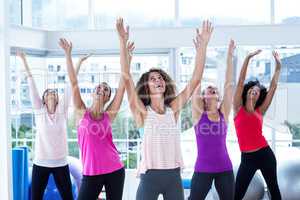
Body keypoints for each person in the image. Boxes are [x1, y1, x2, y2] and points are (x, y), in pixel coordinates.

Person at [116, 17, 213, 200]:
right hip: (150, 177)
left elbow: (195, 80)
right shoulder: (142, 112)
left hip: (173, 177)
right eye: (153, 79)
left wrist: (203, 47)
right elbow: (126, 76)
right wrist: (122, 42)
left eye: (160, 77)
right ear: (147, 87)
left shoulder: (173, 109)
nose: (158, 80)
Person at [59, 32, 134, 200]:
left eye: (106, 89)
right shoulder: (81, 112)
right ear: (93, 93)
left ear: (108, 97)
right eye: (99, 87)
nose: (102, 89)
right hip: (91, 173)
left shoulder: (109, 115)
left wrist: (128, 59)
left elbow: (123, 85)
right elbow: (73, 82)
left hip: (115, 169)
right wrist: (68, 55)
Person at [17, 51, 89, 200]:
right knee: (36, 197)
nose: (51, 93)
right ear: (43, 99)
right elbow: (31, 82)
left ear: (57, 99)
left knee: (68, 196)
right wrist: (23, 59)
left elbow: (71, 83)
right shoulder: (39, 111)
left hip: (60, 163)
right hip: (41, 163)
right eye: (47, 92)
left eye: (54, 92)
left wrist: (79, 63)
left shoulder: (61, 111)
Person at [189, 39, 236, 200]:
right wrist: (200, 52)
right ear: (203, 96)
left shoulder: (224, 112)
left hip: (225, 168)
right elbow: (196, 80)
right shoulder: (198, 114)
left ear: (219, 96)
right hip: (203, 168)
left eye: (214, 88)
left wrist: (229, 56)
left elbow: (229, 84)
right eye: (208, 89)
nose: (212, 88)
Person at [233, 50, 282, 200]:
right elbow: (240, 81)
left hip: (265, 154)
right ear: (247, 91)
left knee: (273, 189)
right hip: (247, 158)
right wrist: (247, 58)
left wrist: (278, 66)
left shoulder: (261, 110)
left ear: (259, 96)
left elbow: (273, 88)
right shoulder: (237, 108)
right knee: (237, 194)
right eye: (252, 90)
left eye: (258, 91)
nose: (255, 92)